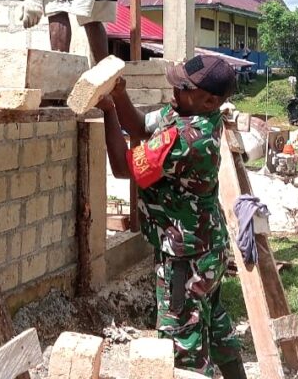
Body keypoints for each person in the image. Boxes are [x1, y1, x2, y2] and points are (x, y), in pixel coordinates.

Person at [96, 56, 246, 379]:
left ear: (210, 100)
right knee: (213, 325)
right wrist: (120, 95)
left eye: (183, 88)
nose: (174, 91)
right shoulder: (190, 112)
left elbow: (122, 168)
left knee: (182, 343)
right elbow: (139, 125)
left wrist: (108, 111)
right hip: (209, 247)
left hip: (186, 259)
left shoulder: (187, 138)